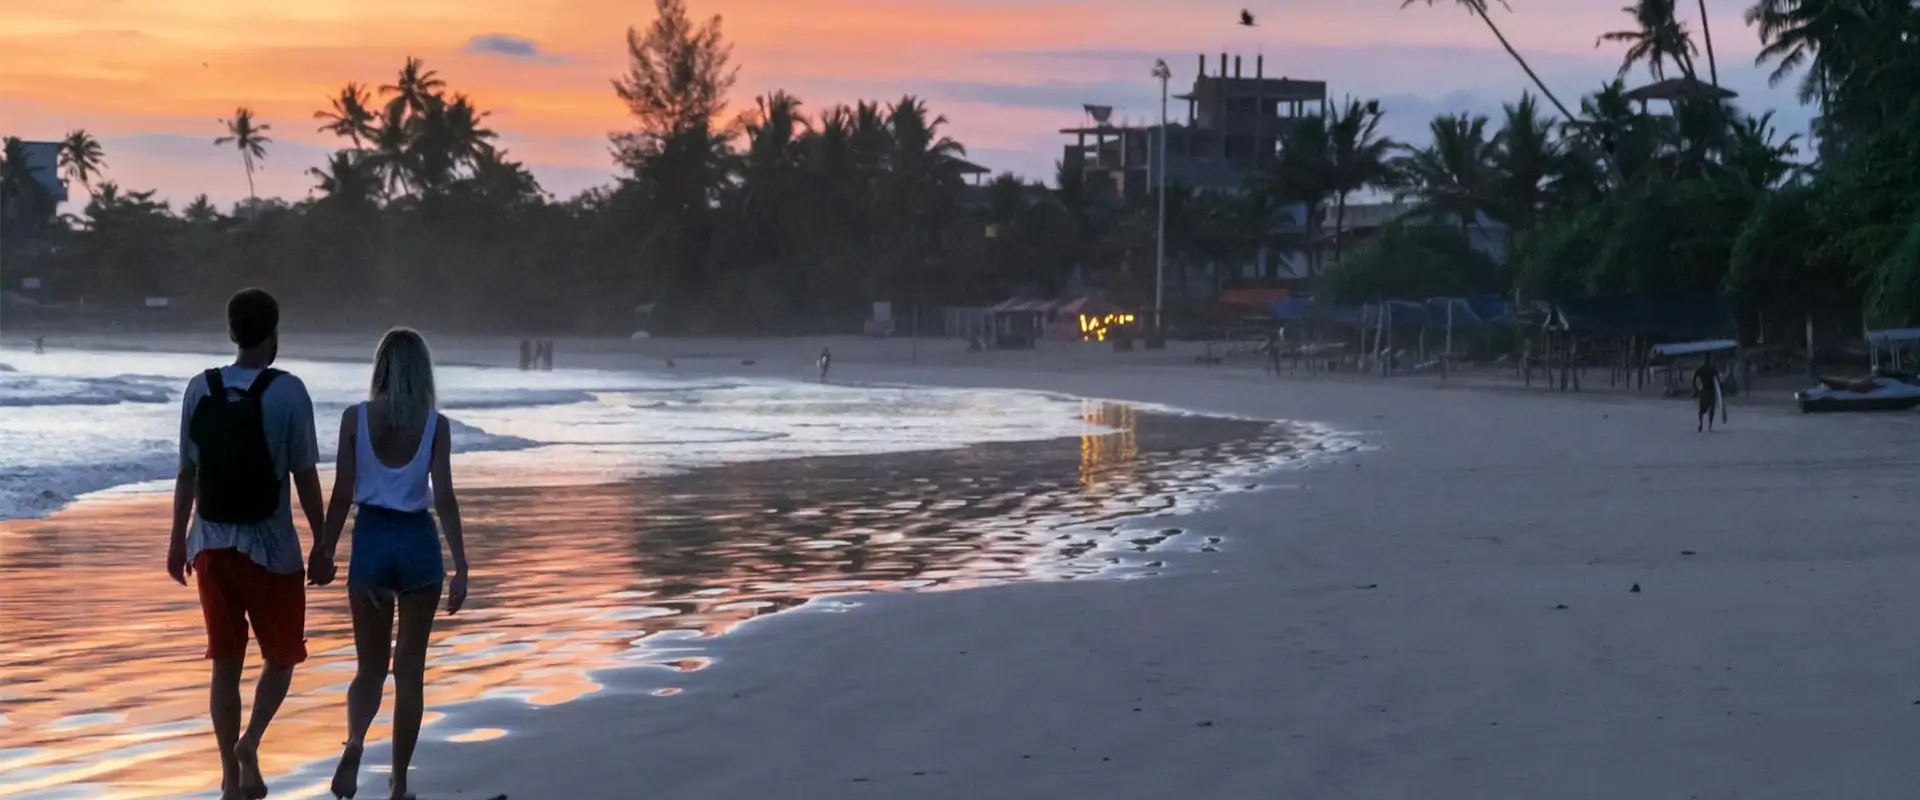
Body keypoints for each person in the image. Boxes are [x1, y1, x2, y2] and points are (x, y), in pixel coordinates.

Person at [168, 288, 324, 800]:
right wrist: (322, 541)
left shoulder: (200, 387)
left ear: (232, 333)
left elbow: (187, 474)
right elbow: (304, 476)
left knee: (225, 663)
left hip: (209, 546)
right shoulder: (288, 392)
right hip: (270, 550)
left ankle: (231, 780)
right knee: (282, 656)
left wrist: (176, 543)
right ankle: (249, 742)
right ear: (274, 333)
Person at [309, 328, 470, 800]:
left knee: (370, 668)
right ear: (423, 372)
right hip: (418, 542)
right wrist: (461, 565)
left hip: (373, 541)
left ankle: (356, 742)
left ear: (380, 369)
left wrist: (325, 549)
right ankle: (399, 785)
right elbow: (444, 497)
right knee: (410, 672)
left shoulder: (355, 419)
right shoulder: (435, 425)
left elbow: (341, 492)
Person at [1693, 354, 1723, 432]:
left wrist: (1696, 390)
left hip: (1704, 391)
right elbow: (1718, 382)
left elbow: (1694, 379)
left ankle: (1701, 424)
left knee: (1702, 409)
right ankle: (1709, 426)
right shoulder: (1713, 369)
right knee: (1710, 409)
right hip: (1710, 391)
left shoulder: (1701, 369)